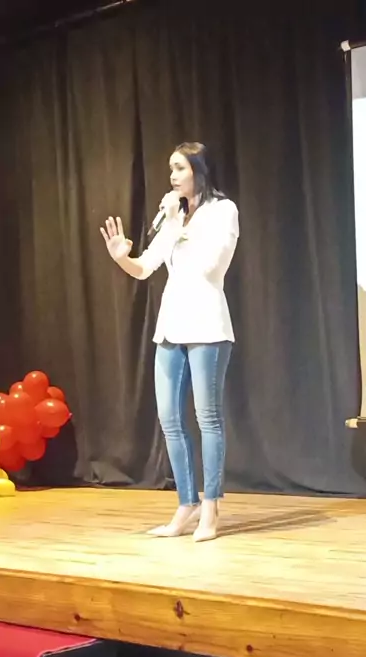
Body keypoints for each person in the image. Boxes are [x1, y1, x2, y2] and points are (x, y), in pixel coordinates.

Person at [100, 142, 239, 542]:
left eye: (180, 168)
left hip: (208, 326)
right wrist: (121, 257)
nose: (173, 176)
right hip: (171, 327)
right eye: (171, 169)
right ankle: (186, 503)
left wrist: (178, 223)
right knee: (169, 419)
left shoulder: (222, 211)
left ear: (199, 170)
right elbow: (145, 267)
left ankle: (211, 508)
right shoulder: (172, 216)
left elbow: (211, 266)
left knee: (207, 418)